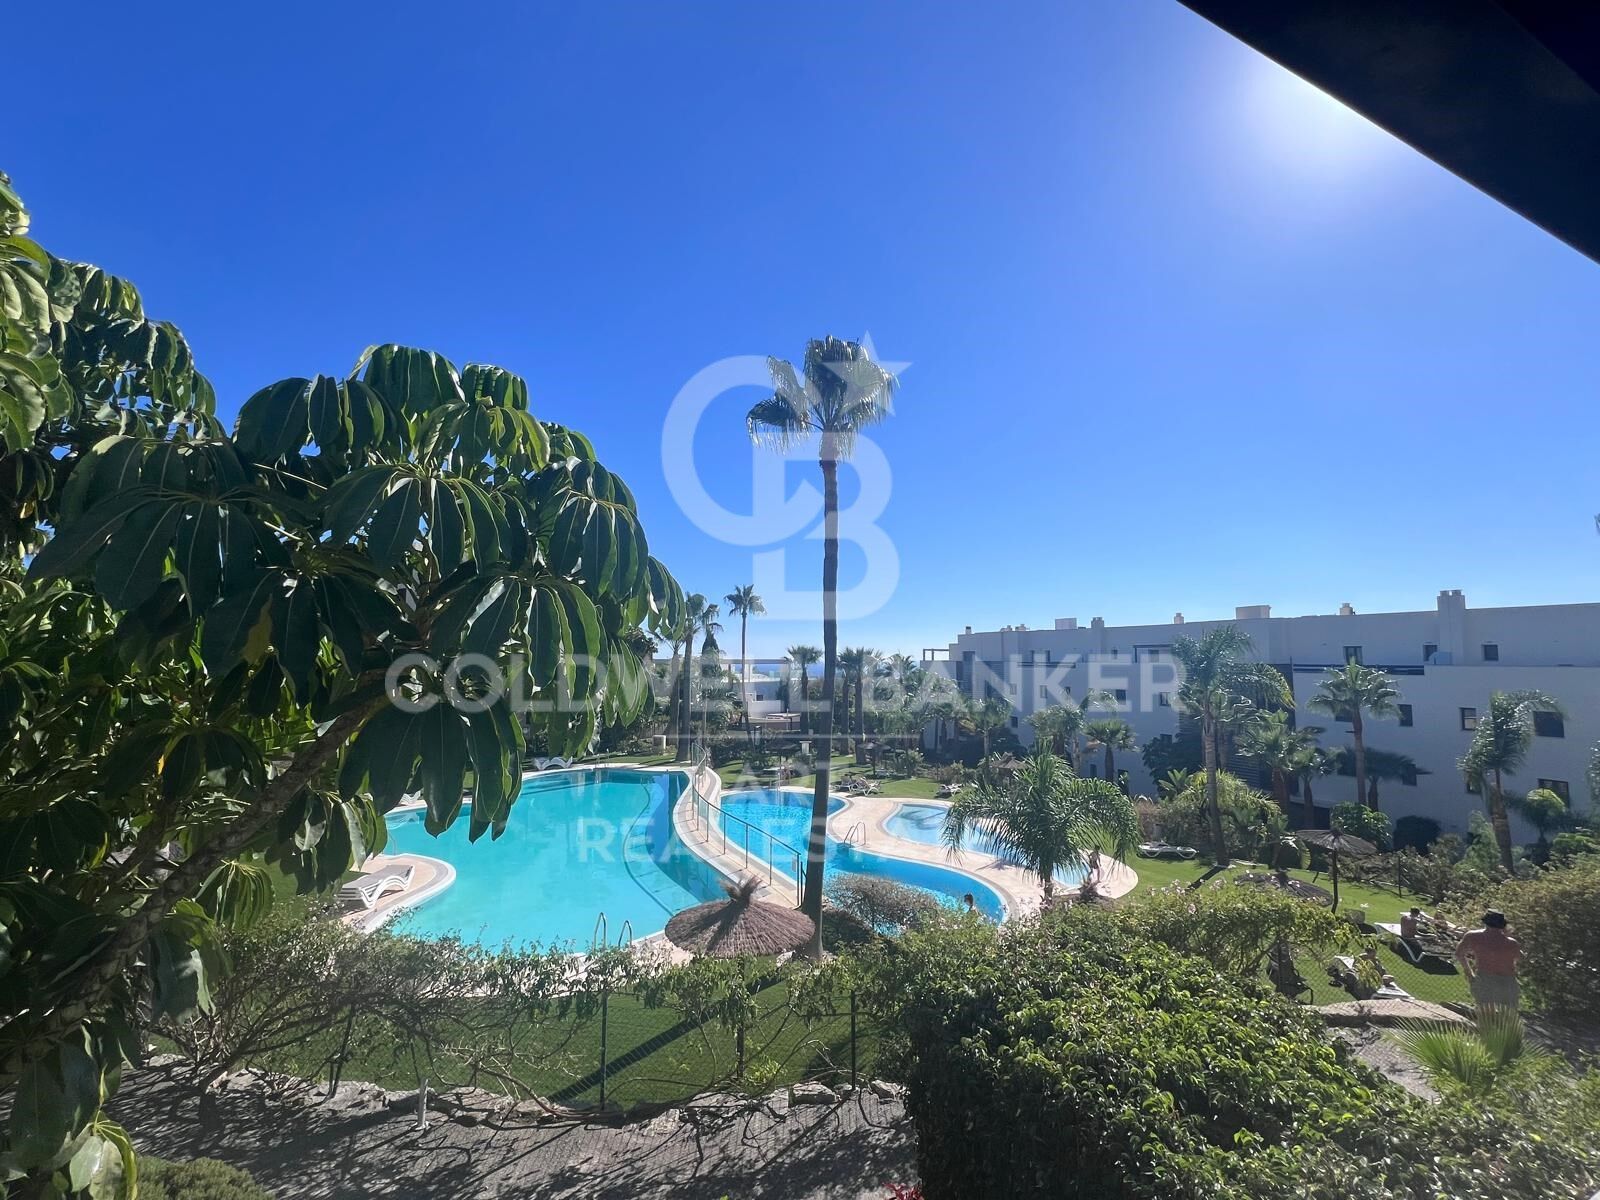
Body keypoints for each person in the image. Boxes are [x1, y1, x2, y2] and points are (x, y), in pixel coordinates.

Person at [1455, 910, 1522, 1013]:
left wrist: (1470, 974)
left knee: (1486, 1014)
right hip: (1507, 980)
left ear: (1485, 922)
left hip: (1485, 977)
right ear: (1502, 925)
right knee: (1508, 1016)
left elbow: (1459, 954)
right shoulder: (1511, 943)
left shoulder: (1473, 936)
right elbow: (1519, 959)